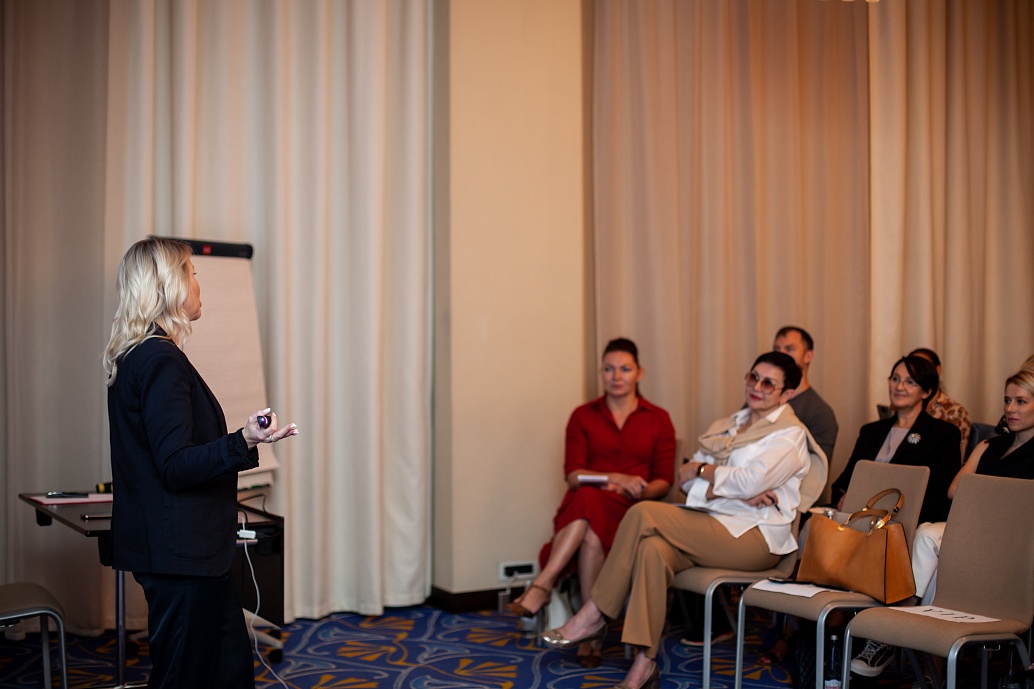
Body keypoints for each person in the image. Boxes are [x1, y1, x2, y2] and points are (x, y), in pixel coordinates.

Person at [540, 352, 825, 689]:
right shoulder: (729, 425)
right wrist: (728, 488)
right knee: (652, 549)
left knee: (642, 512)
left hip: (756, 538)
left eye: (768, 384)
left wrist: (705, 471)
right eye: (753, 377)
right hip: (712, 525)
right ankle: (643, 667)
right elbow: (685, 482)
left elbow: (740, 480)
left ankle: (595, 613)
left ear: (786, 394)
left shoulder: (789, 435)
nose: (756, 387)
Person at [104, 237, 299, 689]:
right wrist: (243, 440)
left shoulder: (138, 354)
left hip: (186, 555)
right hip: (181, 556)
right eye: (192, 274)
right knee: (186, 677)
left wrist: (243, 442)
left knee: (227, 668)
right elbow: (174, 464)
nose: (198, 283)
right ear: (169, 286)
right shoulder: (160, 359)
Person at [850, 368, 1034, 678]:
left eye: (1021, 401)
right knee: (926, 534)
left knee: (937, 552)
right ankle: (903, 633)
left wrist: (987, 494)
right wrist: (1003, 495)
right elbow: (954, 490)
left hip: (1015, 541)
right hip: (972, 529)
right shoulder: (989, 446)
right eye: (1007, 400)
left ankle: (905, 646)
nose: (1011, 409)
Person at [507, 338, 675, 668]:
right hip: (584, 510)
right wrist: (614, 477)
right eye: (609, 369)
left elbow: (663, 480)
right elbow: (573, 476)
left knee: (588, 508)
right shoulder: (583, 415)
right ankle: (591, 634)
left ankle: (544, 585)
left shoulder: (658, 418)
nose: (617, 376)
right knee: (588, 510)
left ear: (639, 373)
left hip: (631, 511)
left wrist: (635, 491)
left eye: (625, 369)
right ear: (602, 373)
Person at [831, 354, 960, 525]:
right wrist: (843, 497)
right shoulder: (871, 431)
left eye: (910, 382)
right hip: (857, 516)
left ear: (926, 392)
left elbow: (938, 495)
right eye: (895, 379)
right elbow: (842, 483)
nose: (899, 387)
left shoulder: (942, 434)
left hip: (903, 522)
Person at [774, 326, 839, 461]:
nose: (780, 355)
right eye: (776, 350)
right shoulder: (763, 397)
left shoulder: (821, 414)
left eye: (789, 349)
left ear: (808, 356)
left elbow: (817, 468)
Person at [908, 348, 972, 461]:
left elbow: (956, 458)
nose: (916, 374)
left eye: (923, 368)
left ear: (937, 370)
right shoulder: (904, 407)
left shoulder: (955, 412)